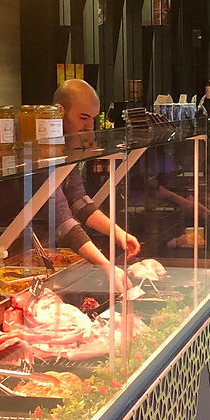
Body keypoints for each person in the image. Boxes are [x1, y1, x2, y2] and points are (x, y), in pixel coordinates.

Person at [52, 79, 140, 292]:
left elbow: (79, 200)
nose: (89, 128)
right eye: (83, 118)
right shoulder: (38, 148)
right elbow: (62, 218)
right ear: (59, 112)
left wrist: (118, 233)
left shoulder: (64, 147)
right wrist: (106, 266)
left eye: (93, 119)